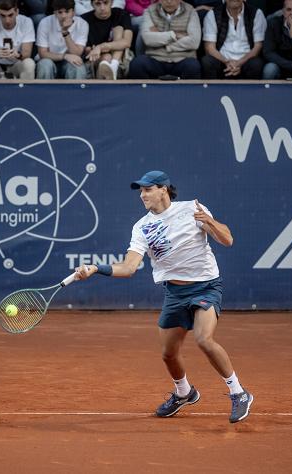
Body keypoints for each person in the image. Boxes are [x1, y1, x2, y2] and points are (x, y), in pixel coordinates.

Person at [73, 170, 254, 424]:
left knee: (204, 338)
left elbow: (228, 240)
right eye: (141, 191)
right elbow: (128, 267)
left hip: (205, 287)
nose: (142, 195)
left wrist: (210, 222)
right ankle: (184, 393)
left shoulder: (193, 208)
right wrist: (95, 269)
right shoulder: (142, 227)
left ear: (163, 189)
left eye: (147, 189)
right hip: (175, 293)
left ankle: (239, 392)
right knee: (169, 354)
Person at [128, 0, 202, 79]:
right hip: (156, 59)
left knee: (193, 66)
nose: (169, 1)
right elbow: (147, 39)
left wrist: (162, 40)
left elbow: (194, 42)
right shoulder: (150, 11)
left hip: (182, 59)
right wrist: (173, 35)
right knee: (137, 64)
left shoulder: (191, 11)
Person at [200, 0, 266, 79]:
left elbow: (258, 46)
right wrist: (227, 62)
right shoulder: (213, 14)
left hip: (246, 62)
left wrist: (239, 63)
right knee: (207, 61)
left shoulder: (256, 13)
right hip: (222, 61)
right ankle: (211, 91)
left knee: (256, 63)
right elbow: (209, 48)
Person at [0, 0, 36, 79]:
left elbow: (27, 53)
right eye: (3, 16)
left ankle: (26, 91)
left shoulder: (26, 21)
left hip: (17, 63)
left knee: (29, 63)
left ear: (17, 12)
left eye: (10, 15)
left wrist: (17, 55)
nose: (7, 20)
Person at [35, 0, 89, 78]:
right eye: (60, 12)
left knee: (78, 66)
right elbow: (42, 53)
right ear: (55, 13)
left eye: (67, 12)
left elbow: (77, 53)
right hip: (49, 60)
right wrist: (65, 56)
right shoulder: (45, 22)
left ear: (73, 12)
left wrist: (65, 32)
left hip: (69, 62)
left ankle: (76, 91)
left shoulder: (82, 24)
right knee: (45, 64)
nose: (63, 16)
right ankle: (44, 90)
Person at [82, 0, 132, 79]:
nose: (102, 8)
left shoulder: (121, 14)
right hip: (94, 60)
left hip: (120, 57)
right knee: (106, 57)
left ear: (112, 2)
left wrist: (101, 47)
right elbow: (88, 50)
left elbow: (127, 42)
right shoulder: (85, 19)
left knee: (118, 29)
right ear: (92, 4)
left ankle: (114, 65)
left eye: (105, 3)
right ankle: (113, 69)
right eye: (98, 4)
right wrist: (104, 49)